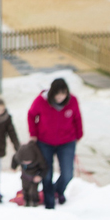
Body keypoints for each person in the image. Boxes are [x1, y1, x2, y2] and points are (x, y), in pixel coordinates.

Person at [27, 77, 83, 209]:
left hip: (67, 142)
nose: (60, 98)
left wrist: (79, 134)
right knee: (47, 174)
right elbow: (31, 115)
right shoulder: (41, 101)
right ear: (52, 93)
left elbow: (77, 118)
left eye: (63, 94)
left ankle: (57, 191)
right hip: (45, 142)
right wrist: (33, 134)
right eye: (57, 95)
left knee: (68, 174)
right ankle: (49, 203)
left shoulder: (73, 101)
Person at [11, 140, 47, 207]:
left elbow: (44, 168)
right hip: (25, 175)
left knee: (33, 191)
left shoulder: (38, 157)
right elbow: (14, 159)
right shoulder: (19, 156)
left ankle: (34, 202)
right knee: (25, 188)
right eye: (24, 162)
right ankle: (26, 201)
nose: (26, 163)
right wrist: (13, 167)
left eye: (28, 161)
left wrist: (40, 176)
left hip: (34, 175)